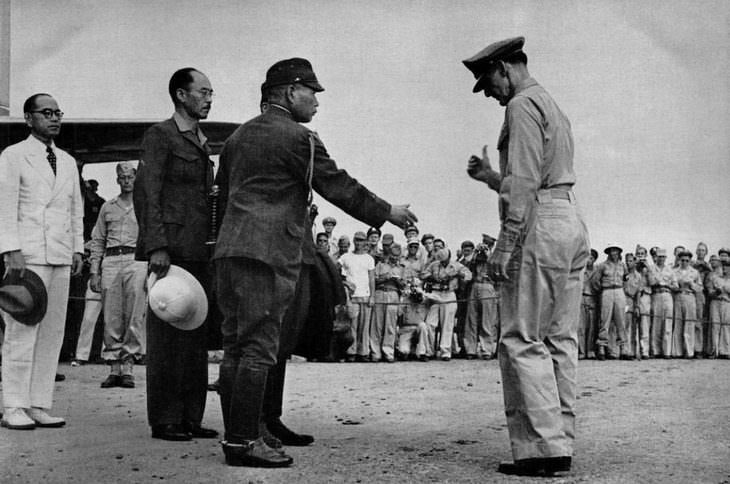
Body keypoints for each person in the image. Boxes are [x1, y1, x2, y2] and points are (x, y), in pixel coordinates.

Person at [212, 57, 417, 467]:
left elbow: (222, 193)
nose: (317, 102)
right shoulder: (299, 138)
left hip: (231, 252)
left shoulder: (236, 138)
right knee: (259, 348)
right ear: (290, 92)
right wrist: (387, 211)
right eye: (312, 92)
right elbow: (336, 185)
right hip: (271, 255)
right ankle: (243, 441)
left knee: (236, 346)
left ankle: (249, 431)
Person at [464, 36, 589, 476]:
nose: (491, 95)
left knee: (521, 338)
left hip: (538, 224)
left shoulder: (520, 106)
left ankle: (541, 450)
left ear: (504, 68)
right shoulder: (549, 102)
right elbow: (538, 177)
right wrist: (489, 178)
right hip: (568, 218)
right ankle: (559, 443)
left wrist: (505, 245)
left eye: (489, 83)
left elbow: (525, 186)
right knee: (559, 339)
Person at [133, 68, 218, 442]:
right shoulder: (160, 136)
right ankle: (165, 418)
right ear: (181, 95)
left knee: (194, 335)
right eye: (203, 91)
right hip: (171, 251)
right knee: (168, 335)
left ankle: (190, 416)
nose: (209, 98)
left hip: (199, 251)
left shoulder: (202, 140)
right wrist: (157, 246)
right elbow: (146, 193)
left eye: (211, 92)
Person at [0, 93, 84, 429]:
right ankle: (13, 406)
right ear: (28, 118)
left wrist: (78, 248)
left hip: (61, 254)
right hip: (29, 255)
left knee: (52, 333)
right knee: (22, 329)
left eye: (57, 112)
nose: (54, 118)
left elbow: (74, 208)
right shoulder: (14, 156)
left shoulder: (65, 160)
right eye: (46, 113)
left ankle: (37, 403)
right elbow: (4, 205)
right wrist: (11, 249)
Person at [89, 162, 147, 388]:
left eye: (130, 177)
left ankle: (128, 365)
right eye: (122, 177)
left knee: (134, 314)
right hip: (112, 260)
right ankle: (113, 366)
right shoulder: (107, 207)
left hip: (136, 259)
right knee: (111, 315)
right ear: (117, 180)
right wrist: (95, 270)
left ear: (136, 178)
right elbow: (98, 239)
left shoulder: (143, 206)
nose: (126, 181)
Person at [422, 248, 472, 361]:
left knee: (447, 324)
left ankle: (445, 351)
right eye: (441, 261)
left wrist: (458, 274)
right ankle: (429, 351)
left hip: (449, 293)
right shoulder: (434, 265)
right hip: (435, 293)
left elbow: (469, 275)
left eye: (445, 260)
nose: (443, 263)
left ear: (449, 257)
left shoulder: (456, 265)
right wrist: (431, 277)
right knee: (430, 323)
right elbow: (423, 274)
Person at [339, 231, 376, 362]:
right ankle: (351, 352)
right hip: (352, 296)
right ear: (353, 241)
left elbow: (372, 279)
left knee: (364, 326)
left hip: (365, 296)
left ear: (365, 242)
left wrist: (372, 296)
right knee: (352, 326)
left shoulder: (369, 259)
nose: (359, 243)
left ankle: (363, 352)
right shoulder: (346, 257)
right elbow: (338, 271)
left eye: (361, 240)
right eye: (357, 240)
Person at [592, 245, 628, 360]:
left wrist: (623, 291)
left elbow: (626, 279)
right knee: (605, 320)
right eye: (611, 251)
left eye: (616, 251)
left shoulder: (623, 265)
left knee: (621, 320)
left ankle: (623, 349)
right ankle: (602, 348)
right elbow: (595, 281)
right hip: (607, 291)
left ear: (619, 252)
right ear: (608, 253)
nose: (614, 253)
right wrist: (601, 291)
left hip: (619, 290)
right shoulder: (603, 266)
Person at [370, 243, 405, 362]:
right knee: (377, 324)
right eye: (393, 255)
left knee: (390, 325)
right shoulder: (380, 265)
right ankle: (376, 352)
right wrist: (386, 277)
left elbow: (404, 286)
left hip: (393, 294)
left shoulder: (401, 268)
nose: (394, 258)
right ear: (389, 254)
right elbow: (373, 280)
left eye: (397, 256)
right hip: (380, 293)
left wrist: (398, 281)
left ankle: (388, 352)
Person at [464, 243, 499, 359]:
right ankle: (470, 349)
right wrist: (475, 252)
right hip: (475, 286)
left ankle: (487, 350)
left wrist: (489, 254)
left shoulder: (495, 256)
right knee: (471, 319)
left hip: (488, 286)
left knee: (487, 320)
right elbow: (468, 266)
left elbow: (496, 269)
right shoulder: (476, 257)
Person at [647, 248, 678, 357]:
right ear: (656, 257)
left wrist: (666, 284)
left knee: (667, 323)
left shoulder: (670, 270)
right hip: (656, 295)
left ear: (666, 258)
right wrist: (660, 281)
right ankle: (655, 350)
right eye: (659, 256)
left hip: (667, 294)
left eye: (663, 257)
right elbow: (651, 282)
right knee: (656, 323)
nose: (661, 259)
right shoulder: (651, 268)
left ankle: (666, 351)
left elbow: (675, 286)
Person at [672, 250, 703, 358]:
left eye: (687, 260)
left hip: (690, 296)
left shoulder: (694, 272)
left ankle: (689, 351)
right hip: (678, 296)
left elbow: (699, 288)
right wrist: (676, 286)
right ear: (679, 260)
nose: (684, 262)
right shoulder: (675, 271)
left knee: (689, 324)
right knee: (678, 323)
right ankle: (678, 351)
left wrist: (691, 283)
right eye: (682, 260)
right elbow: (672, 285)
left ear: (690, 261)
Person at [579, 249, 599, 359]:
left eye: (591, 258)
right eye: (587, 258)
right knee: (581, 327)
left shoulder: (597, 271)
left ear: (594, 260)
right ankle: (581, 351)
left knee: (592, 327)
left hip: (593, 299)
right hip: (582, 298)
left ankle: (590, 350)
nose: (588, 260)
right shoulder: (581, 271)